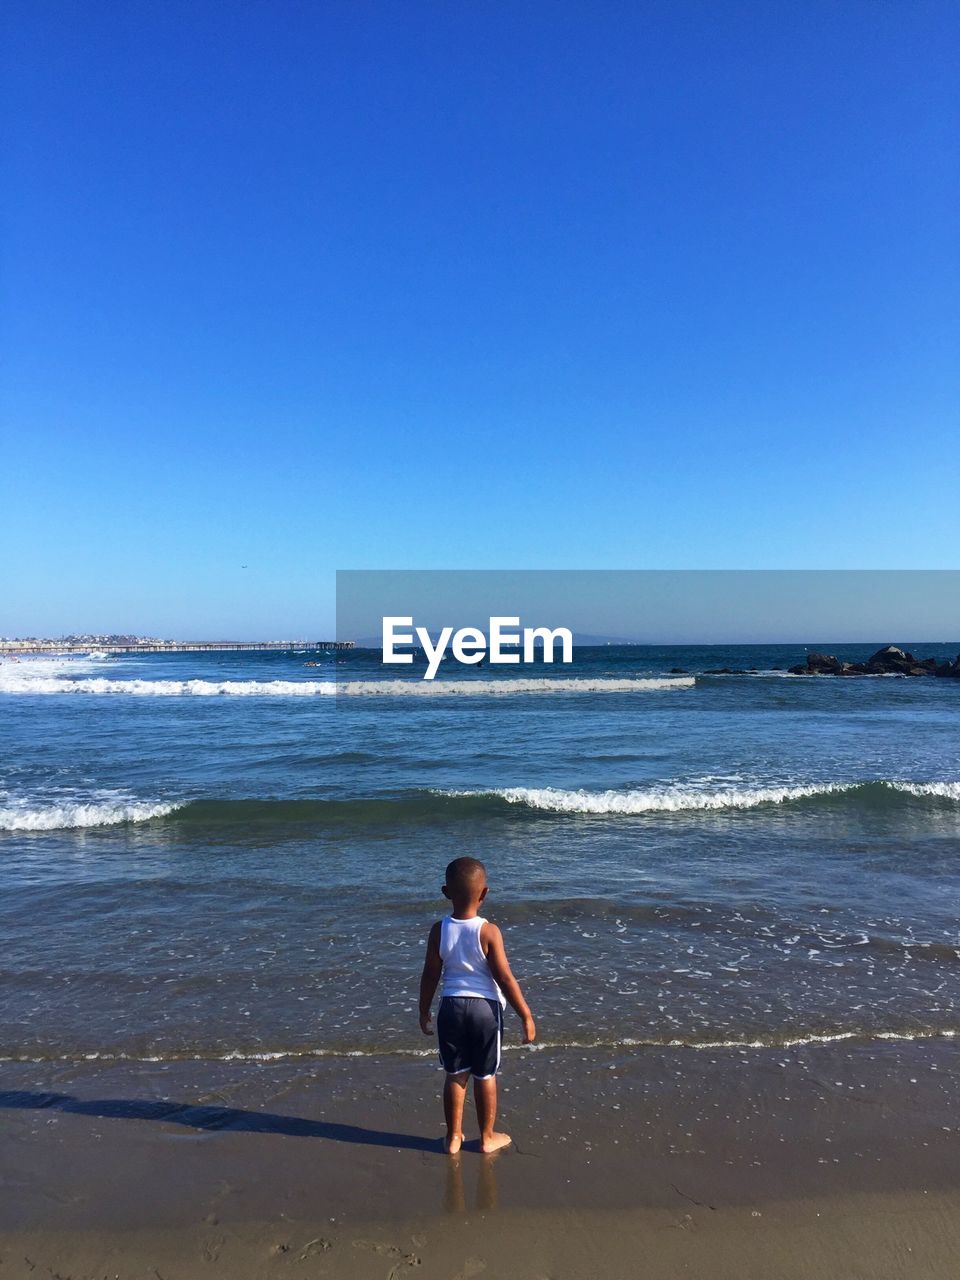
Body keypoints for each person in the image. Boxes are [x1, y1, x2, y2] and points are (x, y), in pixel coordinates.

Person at [418, 856, 536, 1154]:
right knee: (485, 1075)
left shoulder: (438, 930)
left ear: (446, 892)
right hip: (485, 1010)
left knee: (455, 1074)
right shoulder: (488, 931)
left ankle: (453, 1137)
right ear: (484, 894)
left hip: (450, 1008)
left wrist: (423, 1010)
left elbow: (430, 974)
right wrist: (526, 1014)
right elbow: (505, 978)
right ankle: (486, 1137)